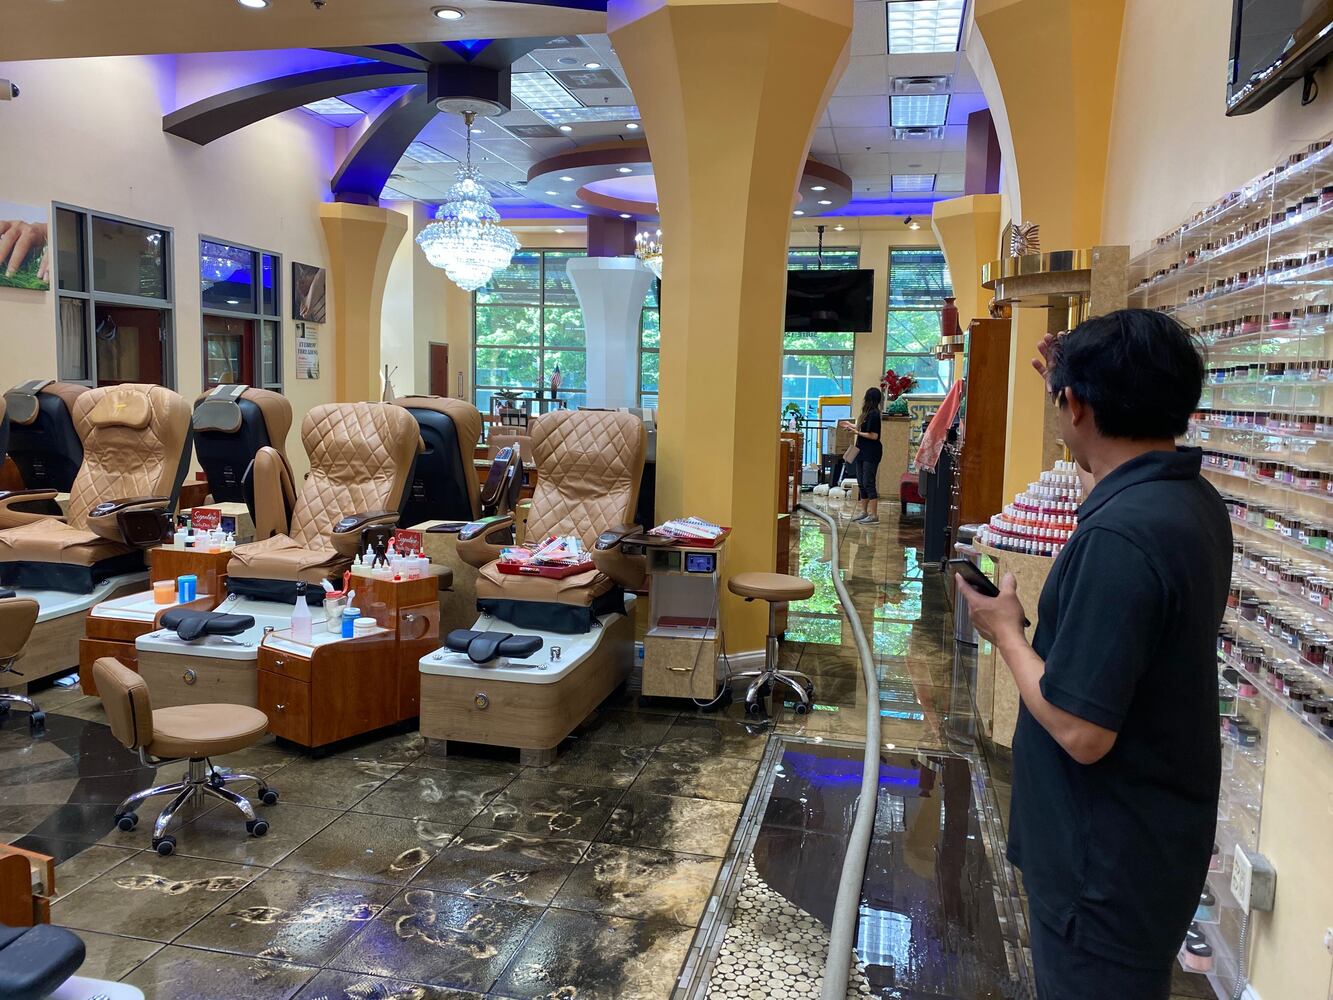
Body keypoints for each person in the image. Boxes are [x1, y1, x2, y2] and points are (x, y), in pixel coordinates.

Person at [957, 309, 1230, 1000]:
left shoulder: (1120, 541)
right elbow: (1102, 481)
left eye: (1062, 402)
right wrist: (1070, 393)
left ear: (1077, 407)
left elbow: (1082, 732)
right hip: (1149, 846)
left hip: (1100, 870)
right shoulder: (1187, 500)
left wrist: (1005, 631)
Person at [840, 386, 882, 524]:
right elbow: (862, 428)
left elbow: (874, 436)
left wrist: (856, 432)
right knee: (861, 482)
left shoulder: (874, 414)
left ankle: (874, 515)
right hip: (861, 451)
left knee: (868, 482)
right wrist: (851, 426)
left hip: (871, 452)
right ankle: (864, 512)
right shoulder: (866, 413)